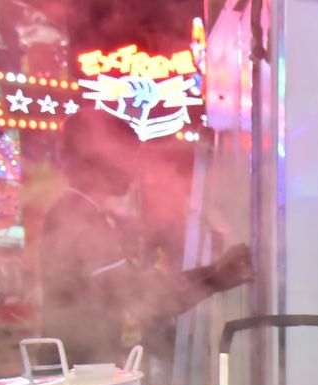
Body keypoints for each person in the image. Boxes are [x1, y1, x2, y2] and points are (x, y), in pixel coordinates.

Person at [39, 109, 253, 365]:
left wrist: (213, 274)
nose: (133, 167)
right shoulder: (79, 219)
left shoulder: (80, 213)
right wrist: (214, 277)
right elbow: (142, 298)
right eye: (125, 157)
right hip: (79, 375)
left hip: (82, 369)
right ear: (96, 160)